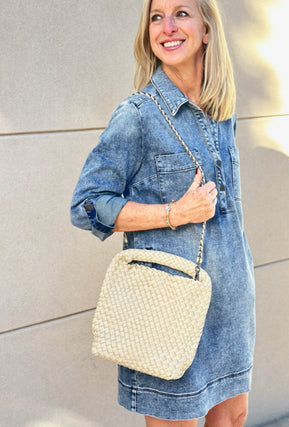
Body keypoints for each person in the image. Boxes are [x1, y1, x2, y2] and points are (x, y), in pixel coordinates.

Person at [70, 0, 255, 425]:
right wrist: (175, 212)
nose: (167, 26)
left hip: (231, 302)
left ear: (207, 30)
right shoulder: (137, 115)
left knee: (234, 416)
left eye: (181, 13)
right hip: (168, 309)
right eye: (157, 17)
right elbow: (86, 205)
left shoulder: (222, 112)